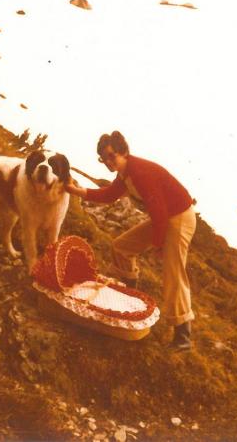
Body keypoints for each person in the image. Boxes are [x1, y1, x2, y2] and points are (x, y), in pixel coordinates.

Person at [65, 131, 197, 351]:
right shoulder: (125, 174)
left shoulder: (140, 172)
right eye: (103, 158)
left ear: (124, 152)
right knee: (121, 247)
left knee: (173, 272)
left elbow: (159, 212)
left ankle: (183, 334)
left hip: (179, 217)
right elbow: (108, 195)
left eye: (111, 156)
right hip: (164, 218)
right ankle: (131, 295)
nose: (108, 162)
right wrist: (77, 190)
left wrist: (158, 244)